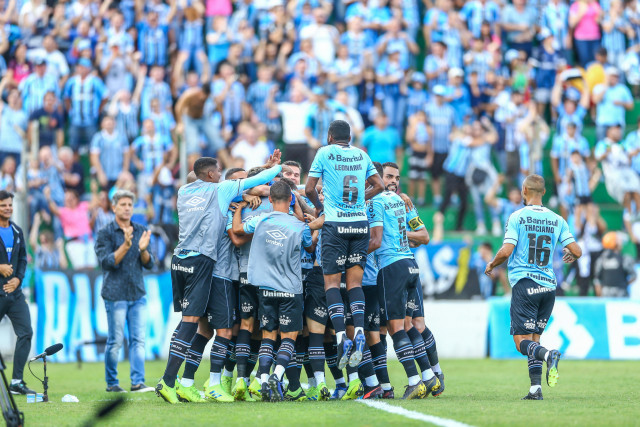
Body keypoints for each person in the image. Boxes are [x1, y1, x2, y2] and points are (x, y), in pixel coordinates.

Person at [155, 152, 283, 404]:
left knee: (198, 327)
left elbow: (196, 175)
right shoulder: (222, 192)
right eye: (239, 180)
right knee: (202, 326)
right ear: (213, 175)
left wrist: (244, 193)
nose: (244, 184)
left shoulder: (184, 191)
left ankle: (184, 383)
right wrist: (273, 168)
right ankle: (174, 381)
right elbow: (263, 181)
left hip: (180, 259)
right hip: (209, 266)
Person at [485, 174, 582, 400]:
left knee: (521, 342)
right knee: (534, 339)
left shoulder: (517, 217)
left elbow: (507, 250)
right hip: (549, 287)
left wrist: (492, 263)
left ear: (524, 191)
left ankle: (549, 356)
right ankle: (535, 389)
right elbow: (577, 250)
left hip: (526, 284)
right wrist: (570, 255)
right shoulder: (558, 219)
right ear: (544, 193)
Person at [305, 120, 384, 372]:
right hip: (360, 224)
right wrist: (360, 200)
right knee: (354, 284)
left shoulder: (324, 152)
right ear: (349, 137)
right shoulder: (362, 154)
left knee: (332, 284)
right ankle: (359, 330)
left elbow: (308, 189)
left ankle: (342, 336)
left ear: (330, 136)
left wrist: (321, 206)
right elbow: (379, 185)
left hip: (335, 225)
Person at [233, 180, 316, 401]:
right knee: (289, 337)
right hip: (291, 288)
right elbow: (311, 246)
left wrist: (239, 208)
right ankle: (276, 376)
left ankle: (261, 379)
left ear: (269, 199)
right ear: (291, 200)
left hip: (266, 288)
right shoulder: (298, 225)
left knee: (268, 337)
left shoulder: (260, 220)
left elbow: (238, 230)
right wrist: (308, 221)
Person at [367, 166, 440, 400]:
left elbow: (377, 240)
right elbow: (416, 235)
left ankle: (414, 381)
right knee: (409, 325)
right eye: (389, 177)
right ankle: (429, 377)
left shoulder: (376, 202)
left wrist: (353, 254)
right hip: (410, 265)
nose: (394, 182)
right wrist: (400, 234)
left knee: (395, 328)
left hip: (391, 266)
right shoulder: (401, 202)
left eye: (397, 178)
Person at [94, 190, 155, 393]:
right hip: (115, 294)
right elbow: (108, 262)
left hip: (137, 293)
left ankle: (138, 382)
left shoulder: (140, 229)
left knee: (138, 340)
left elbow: (149, 264)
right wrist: (127, 246)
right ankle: (112, 383)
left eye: (130, 204)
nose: (127, 208)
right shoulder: (105, 233)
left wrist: (143, 250)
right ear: (114, 207)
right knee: (116, 341)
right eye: (123, 204)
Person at [0, 191, 34, 395]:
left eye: (10, 205)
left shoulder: (17, 231)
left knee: (26, 332)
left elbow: (23, 259)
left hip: (15, 295)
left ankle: (16, 382)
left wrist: (18, 279)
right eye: (3, 205)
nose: (8, 208)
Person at [594, 232, 636, 297]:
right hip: (621, 294)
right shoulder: (625, 259)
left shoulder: (601, 260)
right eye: (619, 241)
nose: (621, 243)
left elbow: (597, 280)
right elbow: (633, 276)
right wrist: (624, 284)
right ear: (615, 243)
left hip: (606, 294)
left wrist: (599, 296)